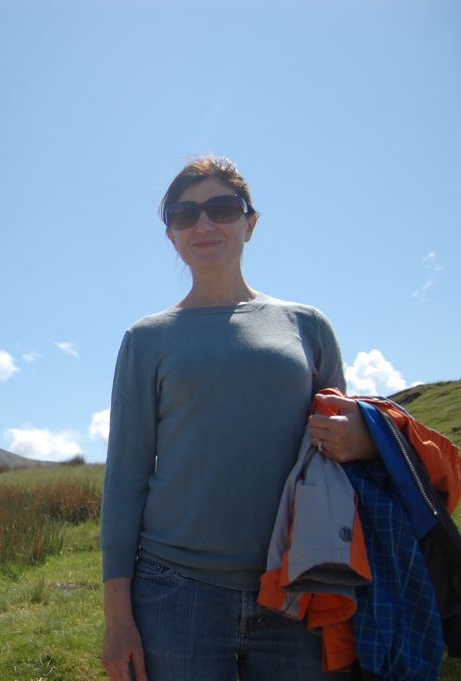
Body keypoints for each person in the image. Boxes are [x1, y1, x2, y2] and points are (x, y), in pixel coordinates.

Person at [100, 156, 377, 681]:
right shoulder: (146, 339)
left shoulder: (308, 326)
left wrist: (364, 439)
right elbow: (124, 483)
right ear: (171, 236)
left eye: (222, 209)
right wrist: (118, 620)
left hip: (299, 584)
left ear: (250, 223)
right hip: (173, 592)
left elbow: (341, 453)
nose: (204, 224)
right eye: (186, 215)